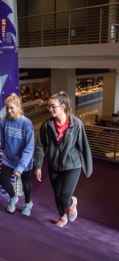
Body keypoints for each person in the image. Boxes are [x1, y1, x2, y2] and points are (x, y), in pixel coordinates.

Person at [34, 91, 93, 228]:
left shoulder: (76, 123)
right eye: (48, 106)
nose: (50, 109)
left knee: (64, 197)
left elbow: (83, 146)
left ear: (63, 106)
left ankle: (71, 203)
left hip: (72, 166)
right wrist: (38, 165)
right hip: (54, 165)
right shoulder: (47, 124)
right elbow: (40, 145)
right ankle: (62, 216)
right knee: (57, 194)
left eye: (53, 106)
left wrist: (87, 168)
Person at [0, 93, 35, 216]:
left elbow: (29, 148)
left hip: (23, 161)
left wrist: (20, 167)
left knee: (26, 184)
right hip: (9, 159)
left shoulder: (26, 123)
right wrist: (6, 152)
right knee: (3, 180)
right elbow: (3, 142)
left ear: (18, 108)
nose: (9, 111)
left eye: (11, 108)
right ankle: (13, 197)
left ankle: (27, 204)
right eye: (7, 108)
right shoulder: (4, 122)